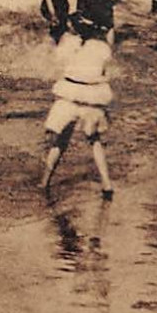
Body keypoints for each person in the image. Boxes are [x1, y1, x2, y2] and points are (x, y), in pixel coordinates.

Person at [38, 21, 118, 199]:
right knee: (94, 140)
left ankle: (45, 180)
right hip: (93, 96)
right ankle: (106, 183)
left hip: (70, 93)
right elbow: (105, 72)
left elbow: (59, 64)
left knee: (60, 140)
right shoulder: (102, 47)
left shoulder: (68, 43)